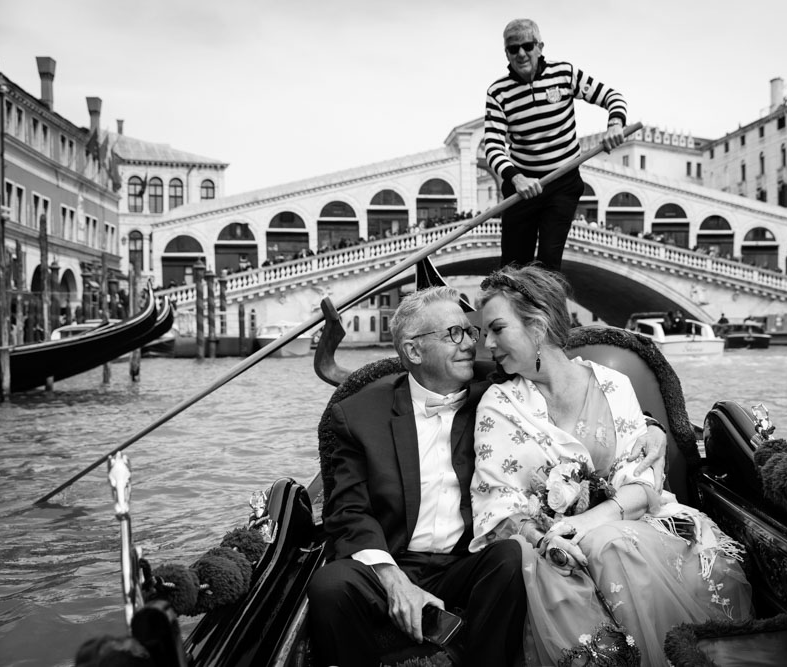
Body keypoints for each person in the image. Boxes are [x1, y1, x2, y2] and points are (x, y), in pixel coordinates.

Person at [470, 265, 753, 666]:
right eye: (486, 332)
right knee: (600, 547)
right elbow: (499, 504)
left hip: (630, 528)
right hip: (548, 547)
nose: (488, 343)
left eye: (497, 329)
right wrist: (550, 537)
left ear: (537, 325)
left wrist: (586, 523)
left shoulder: (612, 384)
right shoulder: (499, 404)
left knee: (609, 544)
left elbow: (642, 480)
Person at [307, 286, 526, 666]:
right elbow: (348, 511)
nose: (470, 345)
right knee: (330, 586)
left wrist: (650, 425)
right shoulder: (357, 415)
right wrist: (395, 582)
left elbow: (564, 381)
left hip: (465, 561)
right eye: (453, 334)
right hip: (391, 560)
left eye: (469, 332)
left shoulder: (497, 389)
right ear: (413, 351)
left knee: (510, 556)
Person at [484, 18, 627, 272]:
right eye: (513, 48)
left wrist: (615, 124)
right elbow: (493, 145)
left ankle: (546, 310)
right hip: (522, 185)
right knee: (513, 266)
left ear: (540, 47)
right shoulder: (498, 92)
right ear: (506, 52)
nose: (521, 54)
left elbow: (612, 97)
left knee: (548, 262)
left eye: (527, 46)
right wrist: (517, 179)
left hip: (562, 182)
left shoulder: (565, 74)